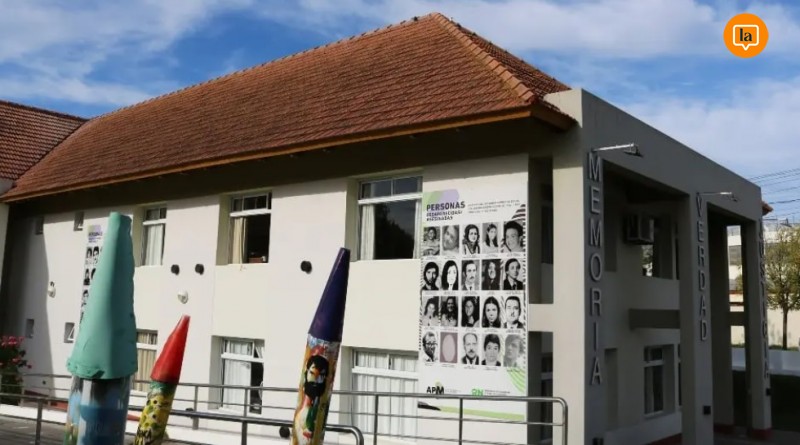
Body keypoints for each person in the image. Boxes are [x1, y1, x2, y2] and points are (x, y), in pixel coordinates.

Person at [294, 354, 330, 445]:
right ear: (306, 373)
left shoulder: (319, 407)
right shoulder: (303, 410)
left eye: (321, 376)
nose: (316, 380)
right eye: (312, 373)